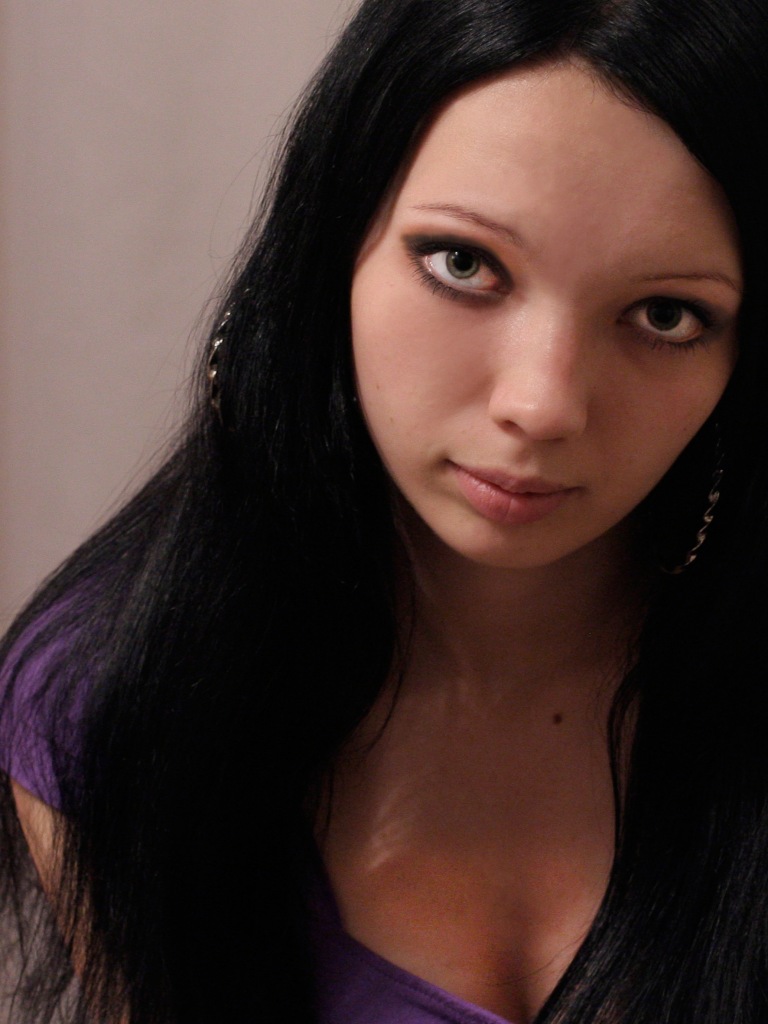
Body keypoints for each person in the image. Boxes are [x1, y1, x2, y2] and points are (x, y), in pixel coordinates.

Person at [1, 0, 767, 1021]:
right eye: (465, 263)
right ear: (328, 253)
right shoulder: (120, 703)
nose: (541, 404)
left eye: (665, 315)